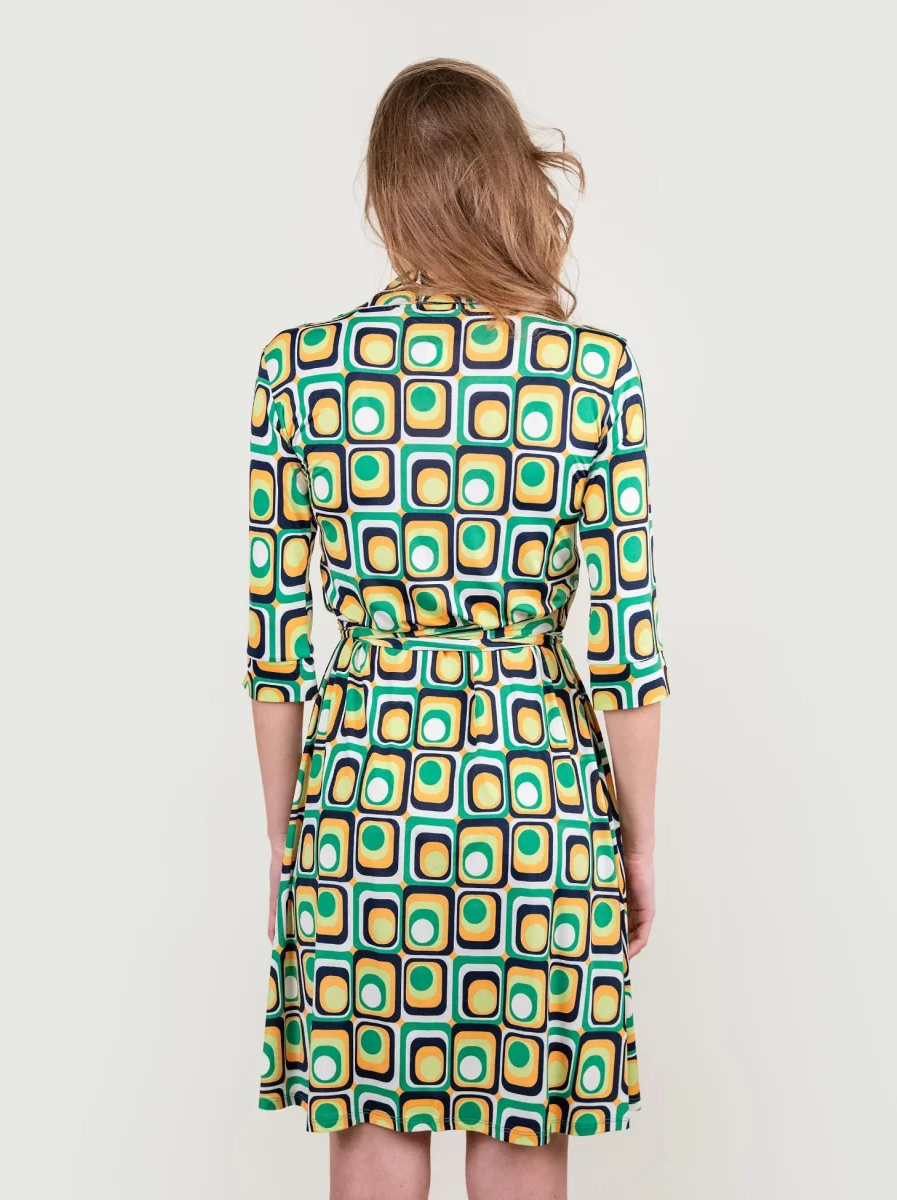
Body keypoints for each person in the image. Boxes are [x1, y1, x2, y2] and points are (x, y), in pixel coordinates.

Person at [245, 57, 670, 1200]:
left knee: (373, 1132)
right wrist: (635, 843)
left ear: (386, 193)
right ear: (506, 182)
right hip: (532, 798)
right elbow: (625, 650)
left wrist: (289, 835)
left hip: (363, 798)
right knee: (519, 1132)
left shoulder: (302, 372)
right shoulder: (589, 376)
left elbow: (276, 646)